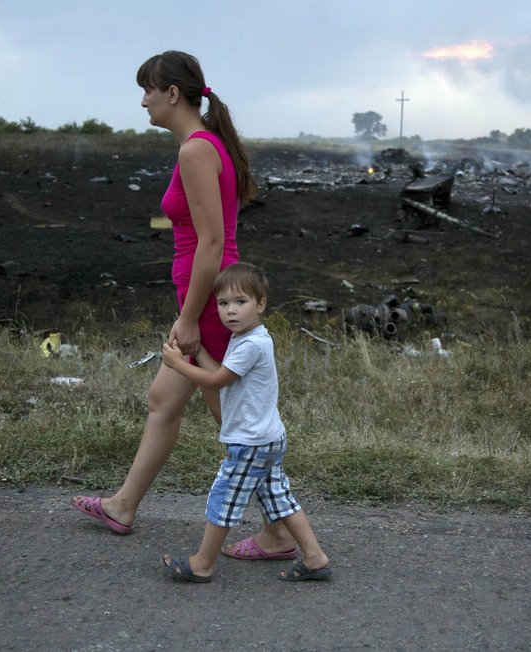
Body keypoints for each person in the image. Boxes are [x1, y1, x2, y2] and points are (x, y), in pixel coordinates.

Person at [70, 50, 296, 559]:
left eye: (148, 89)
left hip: (209, 305)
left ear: (173, 94)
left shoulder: (196, 150)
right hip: (201, 299)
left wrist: (191, 317)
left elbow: (212, 243)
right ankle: (123, 505)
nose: (143, 100)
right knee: (163, 401)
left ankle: (281, 533)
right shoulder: (207, 144)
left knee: (239, 428)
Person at [160, 262, 332, 582]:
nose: (231, 311)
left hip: (250, 442)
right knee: (278, 498)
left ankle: (202, 564)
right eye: (223, 303)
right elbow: (221, 372)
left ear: (261, 304)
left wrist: (177, 363)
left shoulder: (251, 344)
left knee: (223, 497)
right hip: (267, 437)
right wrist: (196, 352)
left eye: (241, 302)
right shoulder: (249, 337)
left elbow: (216, 381)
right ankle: (315, 557)